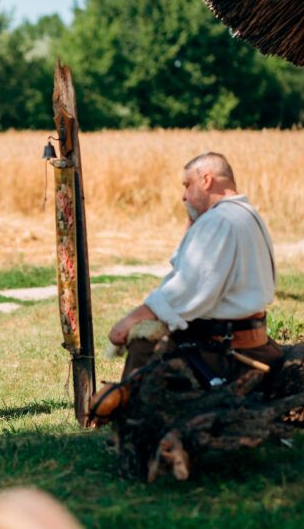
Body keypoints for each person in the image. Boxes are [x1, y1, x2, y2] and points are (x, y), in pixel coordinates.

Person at [107, 152, 282, 384]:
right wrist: (193, 224)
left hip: (226, 353)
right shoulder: (245, 213)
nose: (184, 196)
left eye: (188, 185)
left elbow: (183, 292)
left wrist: (128, 322)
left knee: (143, 347)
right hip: (247, 342)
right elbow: (188, 266)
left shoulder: (219, 221)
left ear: (206, 180)